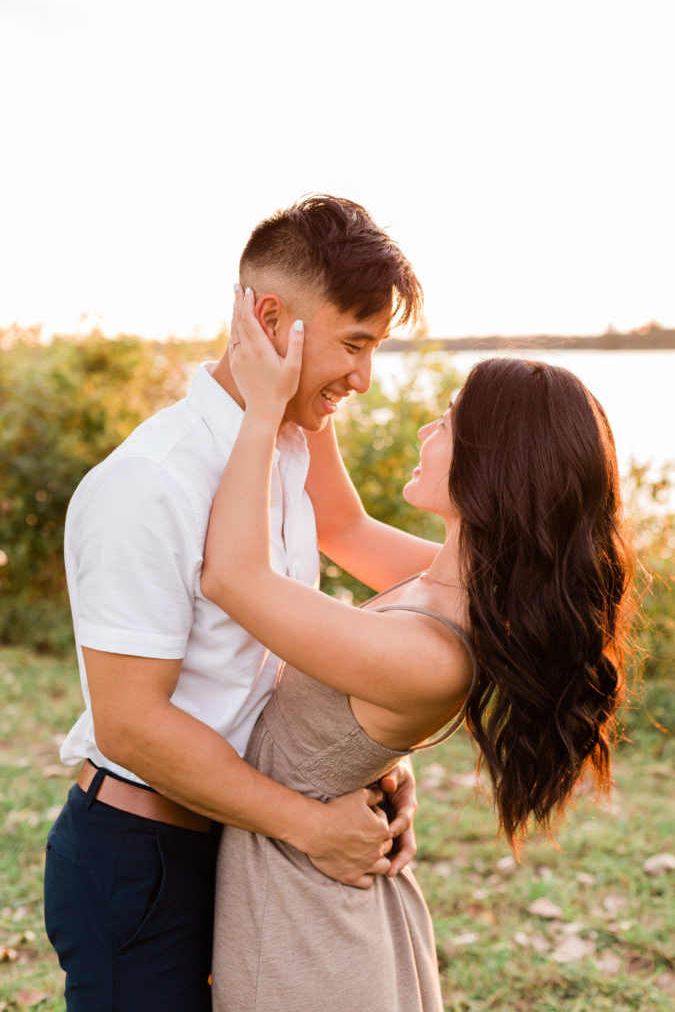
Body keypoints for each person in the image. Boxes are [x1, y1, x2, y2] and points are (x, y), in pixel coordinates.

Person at [44, 195, 435, 1011]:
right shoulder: (150, 482)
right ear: (270, 320)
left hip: (236, 833)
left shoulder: (287, 444)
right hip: (143, 855)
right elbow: (131, 725)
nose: (363, 380)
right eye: (354, 344)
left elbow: (326, 567)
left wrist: (364, 763)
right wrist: (308, 823)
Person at [200, 290, 634, 1012]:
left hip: (309, 930)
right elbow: (338, 522)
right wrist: (313, 382)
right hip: (318, 892)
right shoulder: (445, 585)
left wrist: (260, 408)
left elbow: (232, 578)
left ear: (492, 468)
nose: (429, 429)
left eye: (450, 422)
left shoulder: (431, 649)